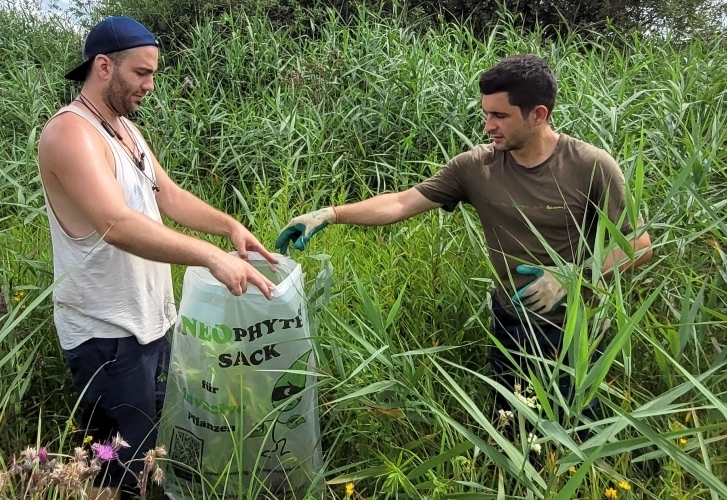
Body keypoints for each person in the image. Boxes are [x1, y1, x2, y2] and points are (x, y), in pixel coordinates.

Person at [276, 54, 653, 438]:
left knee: (579, 432)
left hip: (575, 330)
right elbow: (402, 202)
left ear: (538, 115)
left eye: (500, 116)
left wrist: (573, 276)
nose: (488, 126)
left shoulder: (590, 165)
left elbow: (638, 245)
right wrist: (330, 214)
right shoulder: (476, 167)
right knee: (513, 429)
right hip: (509, 323)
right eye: (486, 113)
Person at [36, 16, 277, 498]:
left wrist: (229, 227)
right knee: (119, 476)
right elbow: (117, 224)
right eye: (141, 73)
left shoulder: (123, 129)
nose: (150, 85)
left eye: (153, 74)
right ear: (104, 66)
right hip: (106, 335)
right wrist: (210, 256)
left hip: (148, 324)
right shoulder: (71, 134)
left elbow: (165, 195)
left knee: (149, 459)